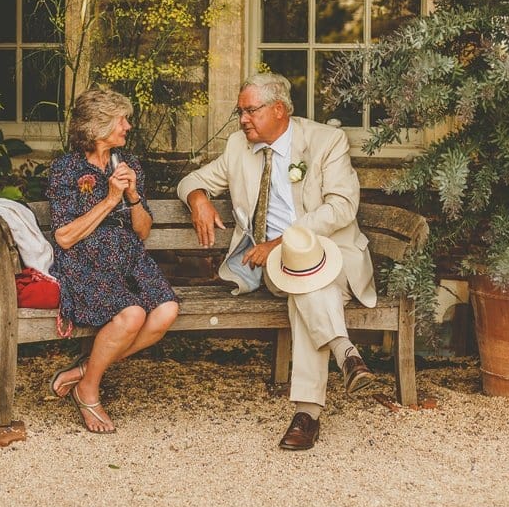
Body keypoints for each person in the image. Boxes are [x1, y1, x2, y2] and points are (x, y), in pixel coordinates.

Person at [177, 72, 377, 450]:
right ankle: (343, 356)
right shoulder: (239, 147)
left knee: (308, 290)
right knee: (301, 280)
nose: (242, 120)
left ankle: (309, 414)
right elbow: (191, 180)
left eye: (250, 111)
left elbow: (342, 206)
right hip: (273, 266)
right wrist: (198, 199)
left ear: (279, 110)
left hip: (331, 257)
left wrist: (284, 241)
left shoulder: (324, 141)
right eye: (240, 112)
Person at [47, 86, 179, 434]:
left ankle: (84, 371)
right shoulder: (66, 169)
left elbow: (143, 231)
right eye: (122, 120)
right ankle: (89, 391)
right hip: (85, 260)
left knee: (167, 311)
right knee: (132, 315)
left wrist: (133, 196)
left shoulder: (128, 164)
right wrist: (109, 199)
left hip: (129, 256)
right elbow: (64, 236)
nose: (128, 127)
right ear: (99, 124)